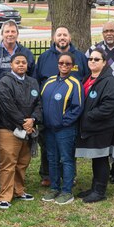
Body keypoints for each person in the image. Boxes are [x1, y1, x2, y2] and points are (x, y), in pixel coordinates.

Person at [34, 26, 89, 187]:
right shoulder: (44, 57)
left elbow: (85, 80)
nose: (62, 37)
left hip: (69, 114)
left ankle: (69, 177)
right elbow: (37, 81)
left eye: (65, 34)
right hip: (48, 114)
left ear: (70, 38)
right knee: (47, 148)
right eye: (59, 35)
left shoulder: (79, 57)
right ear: (54, 38)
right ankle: (48, 175)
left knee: (67, 150)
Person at [0, 20, 35, 189]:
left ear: (17, 34)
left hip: (22, 106)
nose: (10, 34)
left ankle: (15, 176)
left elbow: (32, 79)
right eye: (7, 31)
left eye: (13, 31)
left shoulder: (26, 53)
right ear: (2, 34)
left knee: (20, 139)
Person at [0, 53, 42, 210]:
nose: (21, 65)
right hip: (8, 129)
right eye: (17, 62)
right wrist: (23, 122)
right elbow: (8, 107)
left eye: (24, 62)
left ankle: (19, 190)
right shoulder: (4, 83)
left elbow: (39, 104)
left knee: (22, 162)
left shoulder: (33, 82)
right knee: (8, 163)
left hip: (27, 129)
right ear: (11, 65)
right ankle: (4, 196)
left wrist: (33, 119)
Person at [86, 21, 114, 185]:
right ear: (102, 33)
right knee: (104, 139)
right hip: (100, 99)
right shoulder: (94, 50)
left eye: (112, 30)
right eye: (106, 31)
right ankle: (102, 174)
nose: (109, 33)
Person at [75, 47, 114, 203]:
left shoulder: (109, 81)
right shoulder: (87, 78)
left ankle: (100, 191)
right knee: (96, 158)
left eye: (96, 59)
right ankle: (94, 188)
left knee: (101, 158)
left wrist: (88, 115)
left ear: (104, 62)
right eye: (90, 59)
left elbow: (110, 105)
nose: (92, 61)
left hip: (102, 128)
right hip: (91, 127)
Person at [40, 52, 84, 205]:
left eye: (67, 64)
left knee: (66, 159)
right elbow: (41, 102)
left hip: (65, 130)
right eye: (61, 63)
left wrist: (62, 122)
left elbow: (77, 108)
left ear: (72, 66)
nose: (64, 66)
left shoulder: (75, 83)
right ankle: (54, 187)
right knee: (52, 158)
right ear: (57, 64)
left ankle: (66, 191)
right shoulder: (49, 81)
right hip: (49, 129)